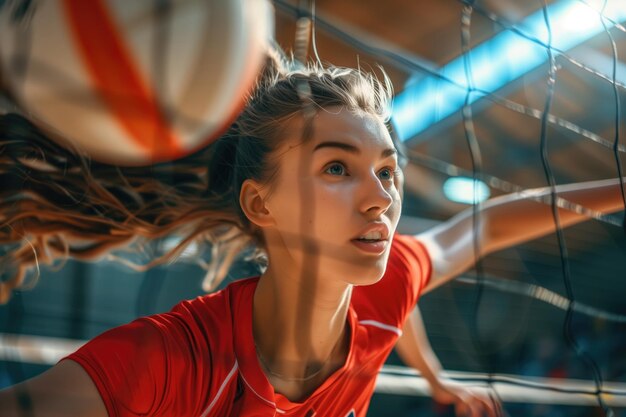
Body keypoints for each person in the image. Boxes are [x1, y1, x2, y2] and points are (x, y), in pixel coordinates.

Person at [0, 50, 624, 417]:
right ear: (260, 203)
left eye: (386, 170)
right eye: (336, 168)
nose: (381, 198)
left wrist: (433, 377)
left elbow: (486, 225)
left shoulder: (385, 291)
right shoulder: (172, 360)